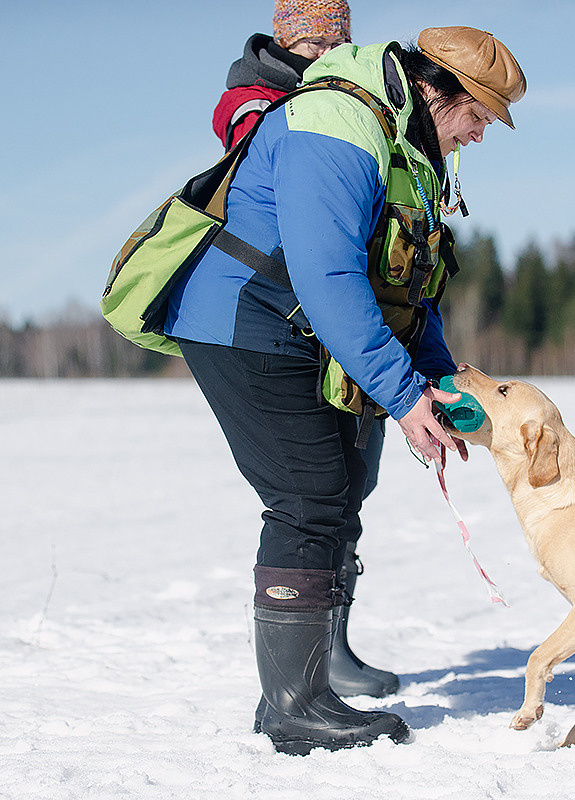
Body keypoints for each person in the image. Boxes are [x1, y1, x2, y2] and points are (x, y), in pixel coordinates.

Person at [165, 26, 526, 754]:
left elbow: (407, 288)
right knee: (308, 494)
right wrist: (401, 396)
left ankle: (304, 690)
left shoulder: (415, 150)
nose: (481, 135)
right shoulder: (339, 123)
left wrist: (436, 384)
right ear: (435, 89)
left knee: (338, 488)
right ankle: (295, 707)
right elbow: (328, 277)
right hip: (244, 317)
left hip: (301, 326)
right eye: (479, 116)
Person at [213, 0, 399, 707]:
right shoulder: (256, 99)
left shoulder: (350, 102)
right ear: (289, 36)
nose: (327, 48)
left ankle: (330, 646)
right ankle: (298, 685)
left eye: (337, 37)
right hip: (278, 313)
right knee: (309, 496)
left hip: (334, 321)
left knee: (350, 486)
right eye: (314, 37)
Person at [212, 0, 353, 150]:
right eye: (317, 42)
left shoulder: (340, 86)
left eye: (338, 44)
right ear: (288, 40)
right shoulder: (254, 103)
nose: (327, 53)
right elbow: (256, 167)